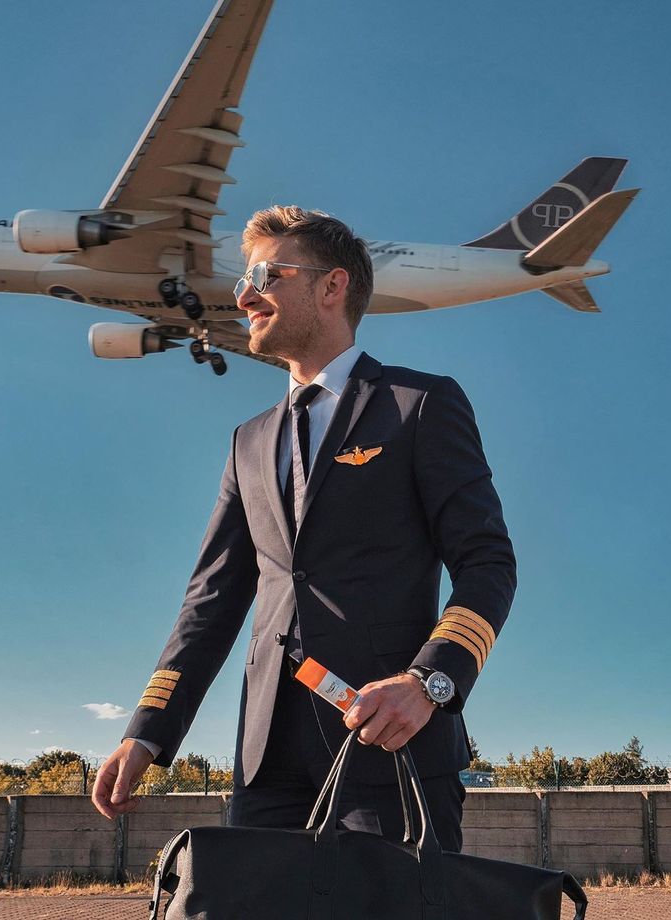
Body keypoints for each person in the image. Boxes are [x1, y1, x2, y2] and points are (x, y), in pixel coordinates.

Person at [92, 206, 516, 850]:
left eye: (267, 273)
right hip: (267, 764)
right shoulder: (248, 442)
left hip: (387, 744)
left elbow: (488, 564)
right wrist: (148, 728)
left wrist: (429, 683)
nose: (243, 294)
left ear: (332, 286)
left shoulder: (420, 405)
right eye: (242, 278)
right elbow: (210, 602)